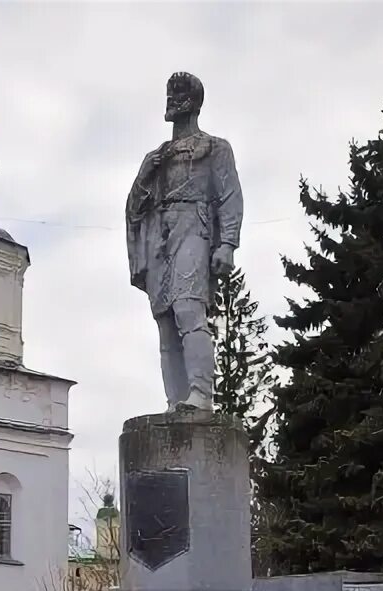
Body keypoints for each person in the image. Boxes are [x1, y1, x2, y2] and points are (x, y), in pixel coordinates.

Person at [126, 72, 243, 410]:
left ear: (194, 102)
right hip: (159, 236)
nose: (171, 100)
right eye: (169, 94)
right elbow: (135, 209)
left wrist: (227, 244)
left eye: (179, 94)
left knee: (187, 308)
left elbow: (230, 195)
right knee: (165, 322)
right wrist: (144, 175)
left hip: (195, 227)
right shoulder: (156, 157)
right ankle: (176, 400)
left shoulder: (215, 148)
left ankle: (201, 394)